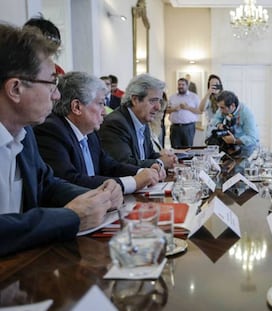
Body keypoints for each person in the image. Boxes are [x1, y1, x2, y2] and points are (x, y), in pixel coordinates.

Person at [0, 23, 122, 256]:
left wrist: (99, 197)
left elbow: (47, 184)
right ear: (15, 88)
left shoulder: (26, 136)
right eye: (51, 83)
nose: (57, 96)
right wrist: (70, 217)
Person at [34, 71, 164, 194]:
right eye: (100, 104)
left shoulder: (89, 132)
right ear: (77, 107)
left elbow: (108, 165)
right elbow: (70, 180)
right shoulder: (51, 131)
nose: (104, 111)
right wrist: (133, 182)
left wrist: (142, 171)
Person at [98, 74, 176, 169]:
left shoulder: (143, 121)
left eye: (159, 101)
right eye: (153, 101)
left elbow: (149, 155)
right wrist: (160, 162)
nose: (158, 107)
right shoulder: (116, 124)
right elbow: (123, 164)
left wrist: (166, 158)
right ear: (135, 100)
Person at [211, 90, 259, 157]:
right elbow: (215, 119)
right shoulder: (223, 109)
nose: (220, 110)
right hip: (231, 149)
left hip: (247, 150)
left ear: (232, 105)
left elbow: (252, 138)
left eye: (222, 108)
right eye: (219, 107)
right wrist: (219, 125)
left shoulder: (246, 114)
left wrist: (235, 141)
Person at [166, 78, 200, 148]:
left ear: (187, 86)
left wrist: (188, 108)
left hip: (188, 127)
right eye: (179, 84)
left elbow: (199, 111)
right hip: (175, 127)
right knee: (175, 149)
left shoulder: (194, 97)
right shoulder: (172, 97)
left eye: (183, 84)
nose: (180, 86)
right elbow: (166, 110)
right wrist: (174, 109)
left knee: (188, 149)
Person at [196, 74, 223, 139]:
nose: (215, 86)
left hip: (223, 128)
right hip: (212, 129)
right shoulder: (208, 98)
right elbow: (201, 109)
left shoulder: (225, 96)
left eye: (216, 84)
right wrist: (208, 93)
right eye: (212, 85)